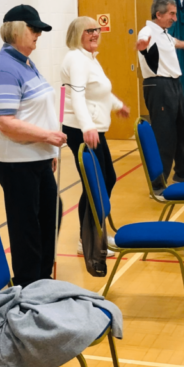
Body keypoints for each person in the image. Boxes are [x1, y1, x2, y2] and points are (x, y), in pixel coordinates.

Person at [0, 4, 67, 288]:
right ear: (17, 30)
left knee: (50, 213)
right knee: (27, 228)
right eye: (34, 30)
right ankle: (28, 286)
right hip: (16, 161)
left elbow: (35, 111)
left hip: (35, 156)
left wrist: (48, 151)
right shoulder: (7, 68)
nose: (38, 35)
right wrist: (47, 138)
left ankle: (41, 279)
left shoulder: (25, 62)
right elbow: (5, 121)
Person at [61, 17, 130, 255]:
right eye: (89, 31)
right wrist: (87, 126)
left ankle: (95, 232)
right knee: (95, 184)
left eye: (97, 30)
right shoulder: (76, 59)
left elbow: (100, 92)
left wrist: (118, 104)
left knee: (106, 179)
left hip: (93, 130)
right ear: (77, 34)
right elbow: (78, 97)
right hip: (83, 131)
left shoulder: (90, 58)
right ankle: (87, 240)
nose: (95, 34)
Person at [137, 0, 184, 194]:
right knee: (164, 135)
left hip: (173, 85)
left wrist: (183, 44)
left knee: (181, 131)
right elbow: (144, 45)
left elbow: (172, 42)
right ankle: (158, 183)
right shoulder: (147, 32)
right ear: (158, 14)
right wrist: (143, 49)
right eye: (171, 14)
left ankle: (182, 173)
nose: (175, 18)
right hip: (159, 86)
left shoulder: (164, 34)